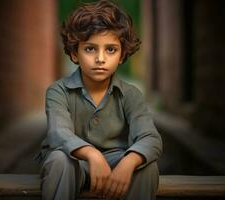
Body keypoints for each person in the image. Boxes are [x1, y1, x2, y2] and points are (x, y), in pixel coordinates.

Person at [38, 0, 162, 199]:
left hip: (115, 163)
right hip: (73, 163)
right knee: (59, 160)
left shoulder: (131, 95)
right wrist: (91, 154)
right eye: (90, 49)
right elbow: (57, 133)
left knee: (147, 166)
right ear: (74, 53)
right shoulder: (58, 91)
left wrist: (129, 162)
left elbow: (150, 137)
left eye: (111, 49)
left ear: (122, 55)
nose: (100, 58)